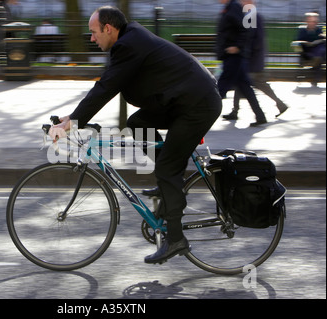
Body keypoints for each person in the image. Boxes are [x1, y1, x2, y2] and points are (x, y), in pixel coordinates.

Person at [48, 6, 222, 264]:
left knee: (167, 169)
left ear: (109, 28)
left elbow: (106, 87)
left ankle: (176, 239)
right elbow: (109, 81)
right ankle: (169, 186)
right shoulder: (129, 39)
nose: (92, 38)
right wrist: (72, 119)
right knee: (138, 122)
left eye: (94, 33)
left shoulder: (128, 45)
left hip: (196, 107)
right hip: (184, 101)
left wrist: (73, 122)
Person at [223, 0, 288, 120]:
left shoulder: (252, 16)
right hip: (252, 58)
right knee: (242, 83)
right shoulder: (250, 16)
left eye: (243, 1)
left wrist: (245, 53)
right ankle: (235, 111)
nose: (241, 3)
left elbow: (254, 39)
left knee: (257, 83)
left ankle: (280, 104)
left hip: (252, 59)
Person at [216, 0, 267, 127]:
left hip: (236, 55)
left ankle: (203, 114)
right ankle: (259, 115)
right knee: (244, 86)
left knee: (222, 87)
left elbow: (250, 32)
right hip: (236, 55)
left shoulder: (240, 9)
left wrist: (238, 47)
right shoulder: (234, 8)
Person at [296, 12, 326, 87]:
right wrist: (306, 43)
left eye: (314, 22)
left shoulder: (319, 30)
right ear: (306, 21)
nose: (312, 23)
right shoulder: (302, 30)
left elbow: (322, 40)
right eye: (310, 21)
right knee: (319, 55)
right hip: (307, 52)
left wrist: (321, 39)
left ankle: (315, 62)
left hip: (318, 51)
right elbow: (297, 41)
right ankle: (315, 64)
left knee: (321, 49)